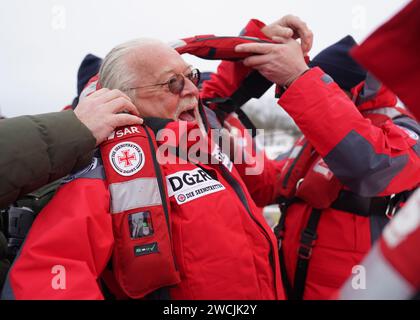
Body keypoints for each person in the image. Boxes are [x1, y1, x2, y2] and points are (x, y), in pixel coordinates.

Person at [1, 15, 314, 300]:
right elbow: (47, 275)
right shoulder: (112, 168)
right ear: (125, 99)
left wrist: (262, 44)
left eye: (191, 76)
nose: (193, 89)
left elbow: (269, 178)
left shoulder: (208, 146)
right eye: (173, 83)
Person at [201, 25, 420, 299]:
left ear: (354, 90)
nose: (324, 90)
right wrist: (229, 144)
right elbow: (268, 185)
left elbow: (372, 167)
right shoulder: (318, 137)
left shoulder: (406, 129)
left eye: (327, 84)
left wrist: (299, 77)